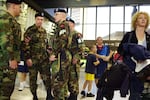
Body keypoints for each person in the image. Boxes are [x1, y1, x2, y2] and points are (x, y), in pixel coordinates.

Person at [118, 11, 150, 100]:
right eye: (140, 18)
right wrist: (132, 55)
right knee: (135, 95)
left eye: (145, 18)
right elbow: (120, 50)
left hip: (146, 70)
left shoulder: (148, 37)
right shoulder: (129, 35)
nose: (143, 19)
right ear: (136, 21)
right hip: (132, 69)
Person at [24, 12, 51, 100]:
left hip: (44, 59)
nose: (40, 21)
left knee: (46, 78)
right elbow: (25, 45)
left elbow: (46, 44)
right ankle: (34, 96)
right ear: (35, 19)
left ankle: (49, 95)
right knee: (33, 79)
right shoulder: (30, 30)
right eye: (38, 19)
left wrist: (49, 51)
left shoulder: (44, 31)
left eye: (42, 20)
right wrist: (28, 58)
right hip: (33, 59)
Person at [0, 0, 22, 99]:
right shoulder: (6, 18)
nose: (20, 10)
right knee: (5, 90)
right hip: (5, 63)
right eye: (20, 7)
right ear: (13, 6)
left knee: (7, 90)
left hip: (7, 61)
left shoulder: (11, 20)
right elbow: (5, 41)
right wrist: (11, 58)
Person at [49, 8, 72, 100]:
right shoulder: (59, 26)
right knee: (62, 83)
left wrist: (54, 54)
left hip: (61, 57)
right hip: (61, 56)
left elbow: (62, 42)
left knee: (58, 83)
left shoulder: (63, 25)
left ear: (63, 16)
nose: (55, 16)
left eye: (57, 14)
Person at [66, 17, 85, 100]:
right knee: (67, 79)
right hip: (66, 62)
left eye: (69, 23)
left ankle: (74, 96)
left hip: (74, 62)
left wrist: (76, 57)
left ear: (73, 24)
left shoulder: (77, 34)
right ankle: (70, 95)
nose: (67, 24)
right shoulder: (65, 34)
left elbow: (82, 47)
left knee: (73, 80)